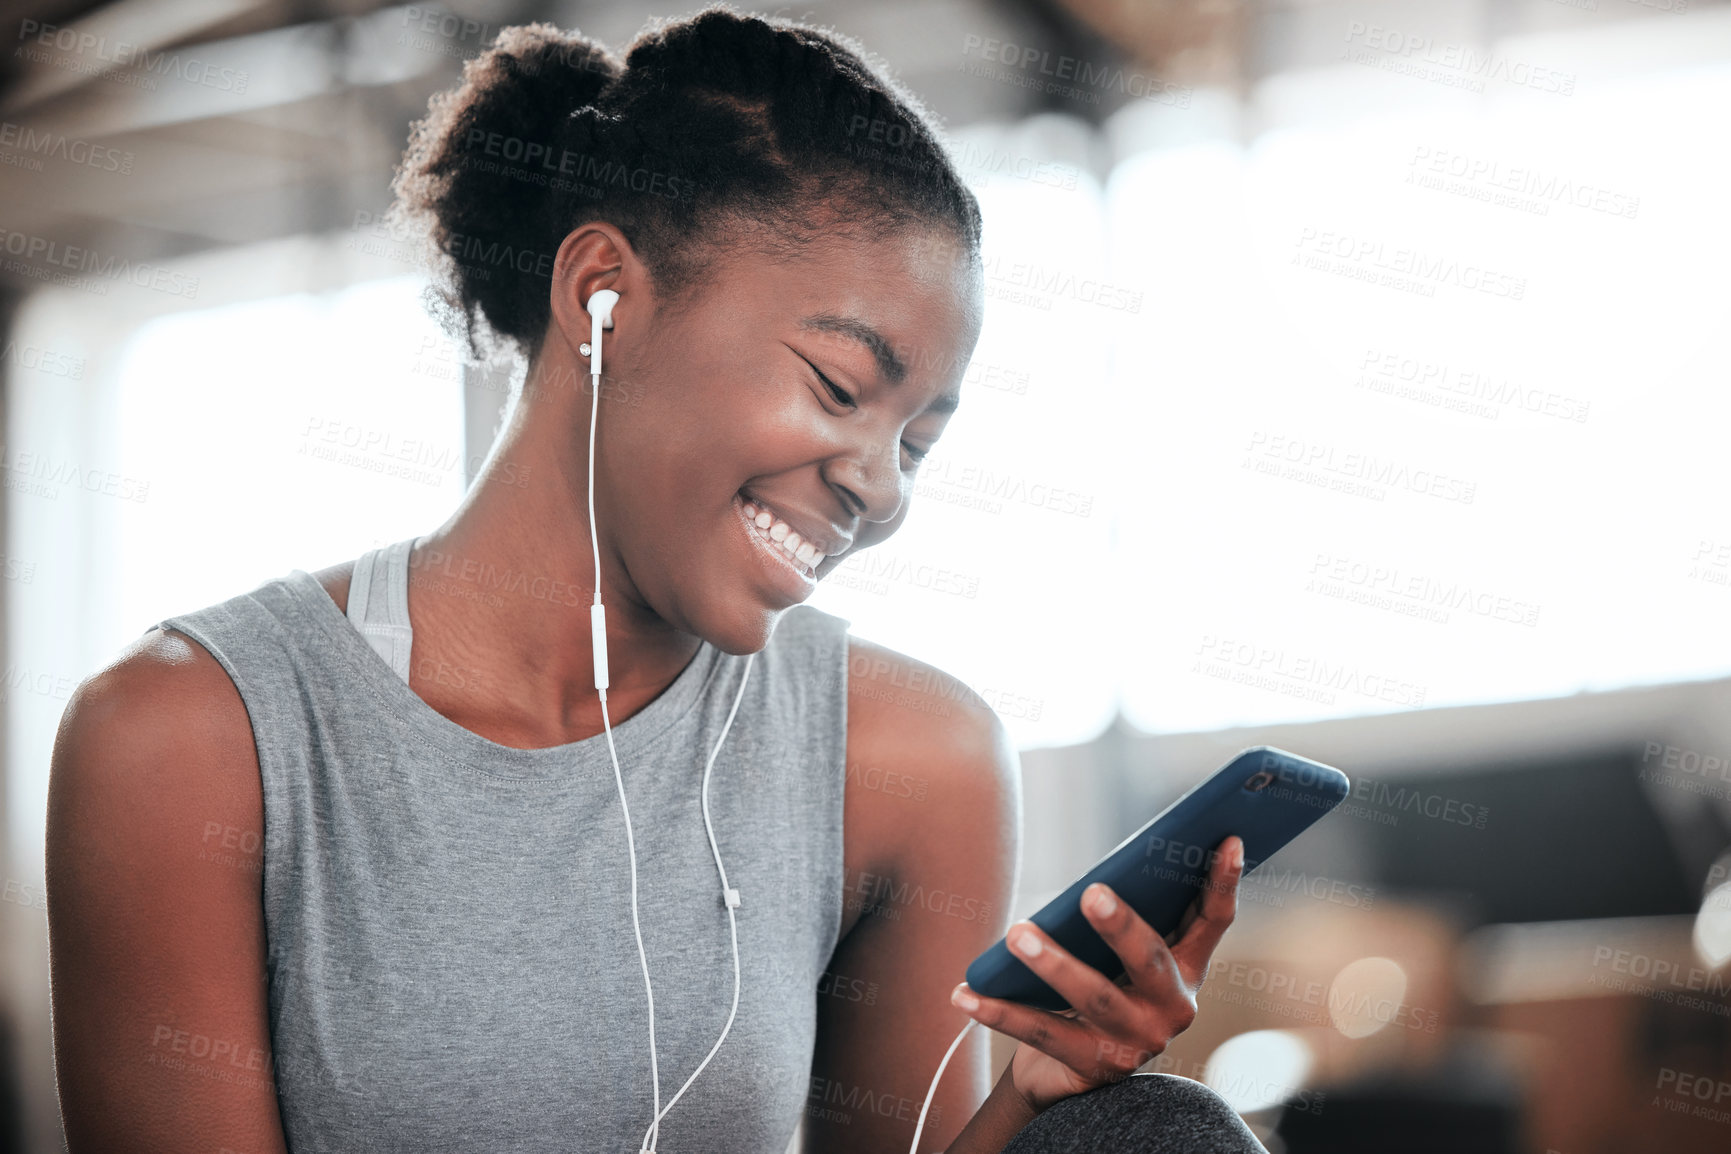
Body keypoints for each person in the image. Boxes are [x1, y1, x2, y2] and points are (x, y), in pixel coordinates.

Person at [44, 6, 1264, 1152]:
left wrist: (1038, 1100)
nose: (882, 488)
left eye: (917, 441)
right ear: (601, 293)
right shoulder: (189, 738)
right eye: (840, 387)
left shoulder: (910, 763)